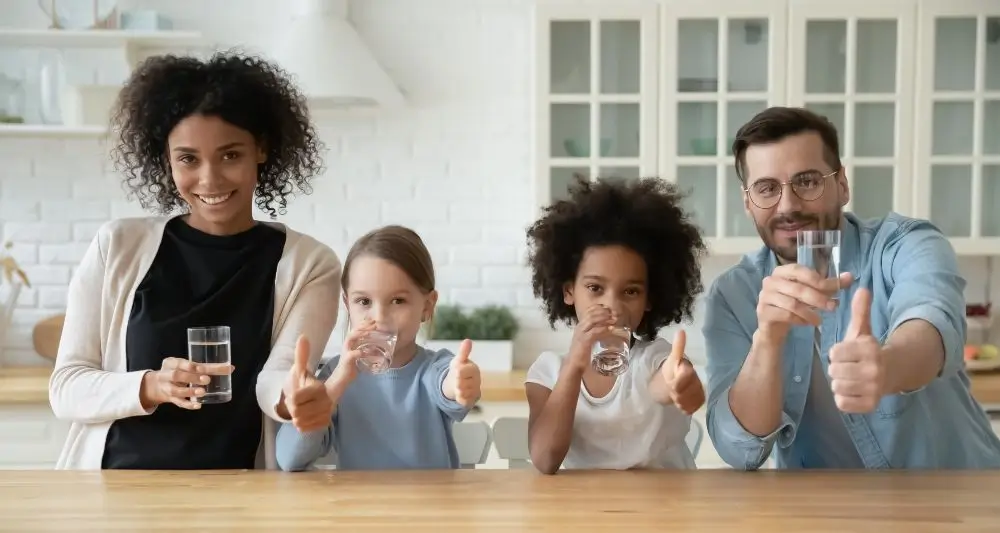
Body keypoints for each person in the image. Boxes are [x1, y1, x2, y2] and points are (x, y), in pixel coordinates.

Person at [48, 52, 341, 470]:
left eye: (230, 155)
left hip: (237, 495)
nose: (210, 179)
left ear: (261, 148)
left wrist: (292, 399)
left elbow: (277, 377)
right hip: (114, 491)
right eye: (188, 158)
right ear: (166, 160)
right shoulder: (117, 246)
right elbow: (66, 387)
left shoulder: (310, 264)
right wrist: (151, 386)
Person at [704, 106, 1000, 470]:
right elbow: (738, 449)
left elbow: (933, 324)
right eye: (767, 188)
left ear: (842, 184)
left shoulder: (906, 244)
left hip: (954, 499)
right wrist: (767, 339)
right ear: (748, 202)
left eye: (808, 181)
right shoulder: (732, 295)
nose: (789, 205)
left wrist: (887, 366)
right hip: (826, 513)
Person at [523, 176, 709, 474]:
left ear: (650, 298)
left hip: (666, 510)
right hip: (587, 513)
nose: (612, 305)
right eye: (596, 288)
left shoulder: (655, 359)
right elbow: (545, 459)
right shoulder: (547, 372)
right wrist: (574, 363)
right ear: (569, 290)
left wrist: (679, 380)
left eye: (630, 291)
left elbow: (667, 383)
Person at [275, 225, 482, 471]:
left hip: (430, 507)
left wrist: (460, 383)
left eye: (398, 301)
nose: (379, 316)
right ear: (347, 304)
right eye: (364, 301)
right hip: (362, 508)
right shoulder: (334, 377)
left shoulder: (435, 369)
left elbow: (448, 386)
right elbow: (289, 459)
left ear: (427, 306)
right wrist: (335, 386)